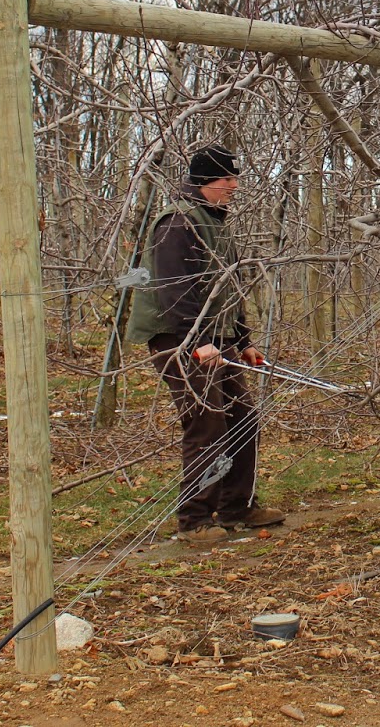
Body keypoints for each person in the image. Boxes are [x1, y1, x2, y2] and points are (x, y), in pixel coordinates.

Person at [125, 143, 285, 544]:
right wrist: (194, 342)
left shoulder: (214, 220)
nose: (233, 185)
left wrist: (242, 340)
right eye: (226, 178)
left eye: (234, 177)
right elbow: (174, 289)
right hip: (178, 341)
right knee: (207, 423)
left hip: (216, 340)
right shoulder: (177, 224)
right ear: (204, 182)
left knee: (243, 418)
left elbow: (225, 289)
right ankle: (194, 520)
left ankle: (237, 507)